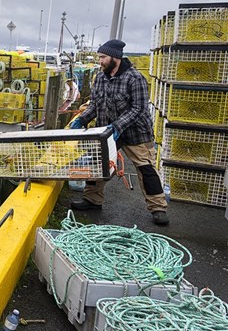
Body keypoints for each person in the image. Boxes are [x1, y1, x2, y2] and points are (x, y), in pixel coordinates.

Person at [69, 39, 169, 225]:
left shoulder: (135, 78)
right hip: (106, 131)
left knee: (146, 168)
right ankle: (92, 200)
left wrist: (117, 126)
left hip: (136, 133)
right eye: (99, 57)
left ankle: (158, 208)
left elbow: (138, 108)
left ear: (115, 58)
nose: (100, 61)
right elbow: (95, 104)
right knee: (96, 163)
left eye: (103, 57)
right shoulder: (100, 77)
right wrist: (83, 119)